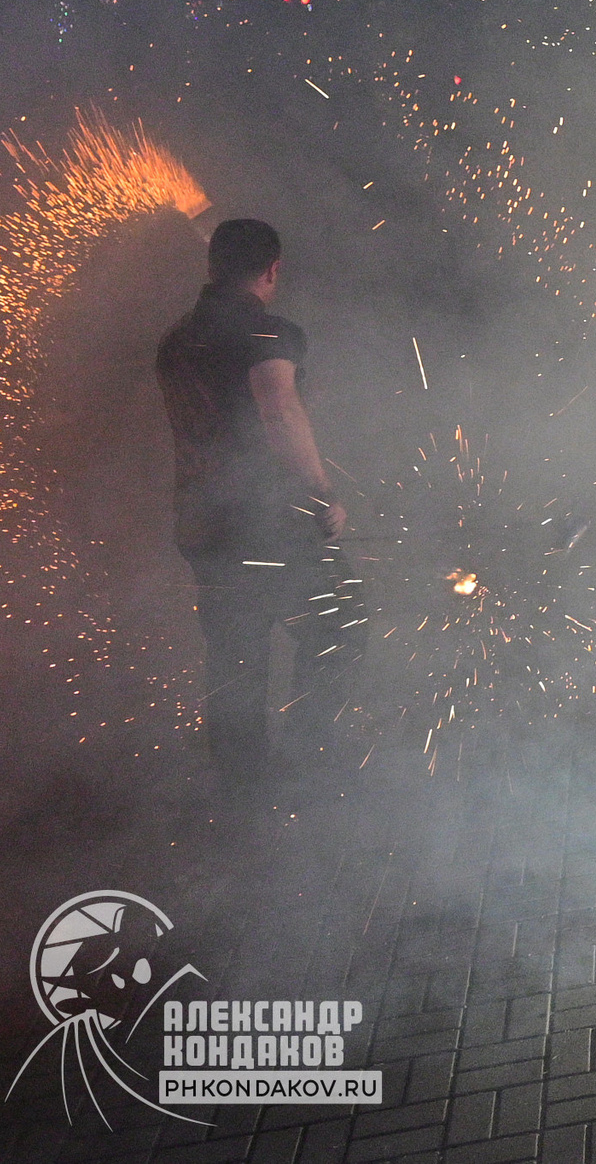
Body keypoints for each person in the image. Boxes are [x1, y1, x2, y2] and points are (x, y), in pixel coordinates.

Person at [155, 219, 355, 799]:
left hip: (202, 522)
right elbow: (278, 409)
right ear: (272, 270)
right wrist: (320, 495)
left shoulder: (176, 340)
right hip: (269, 527)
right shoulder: (266, 335)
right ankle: (308, 766)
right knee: (342, 627)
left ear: (213, 266)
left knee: (235, 661)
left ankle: (242, 794)